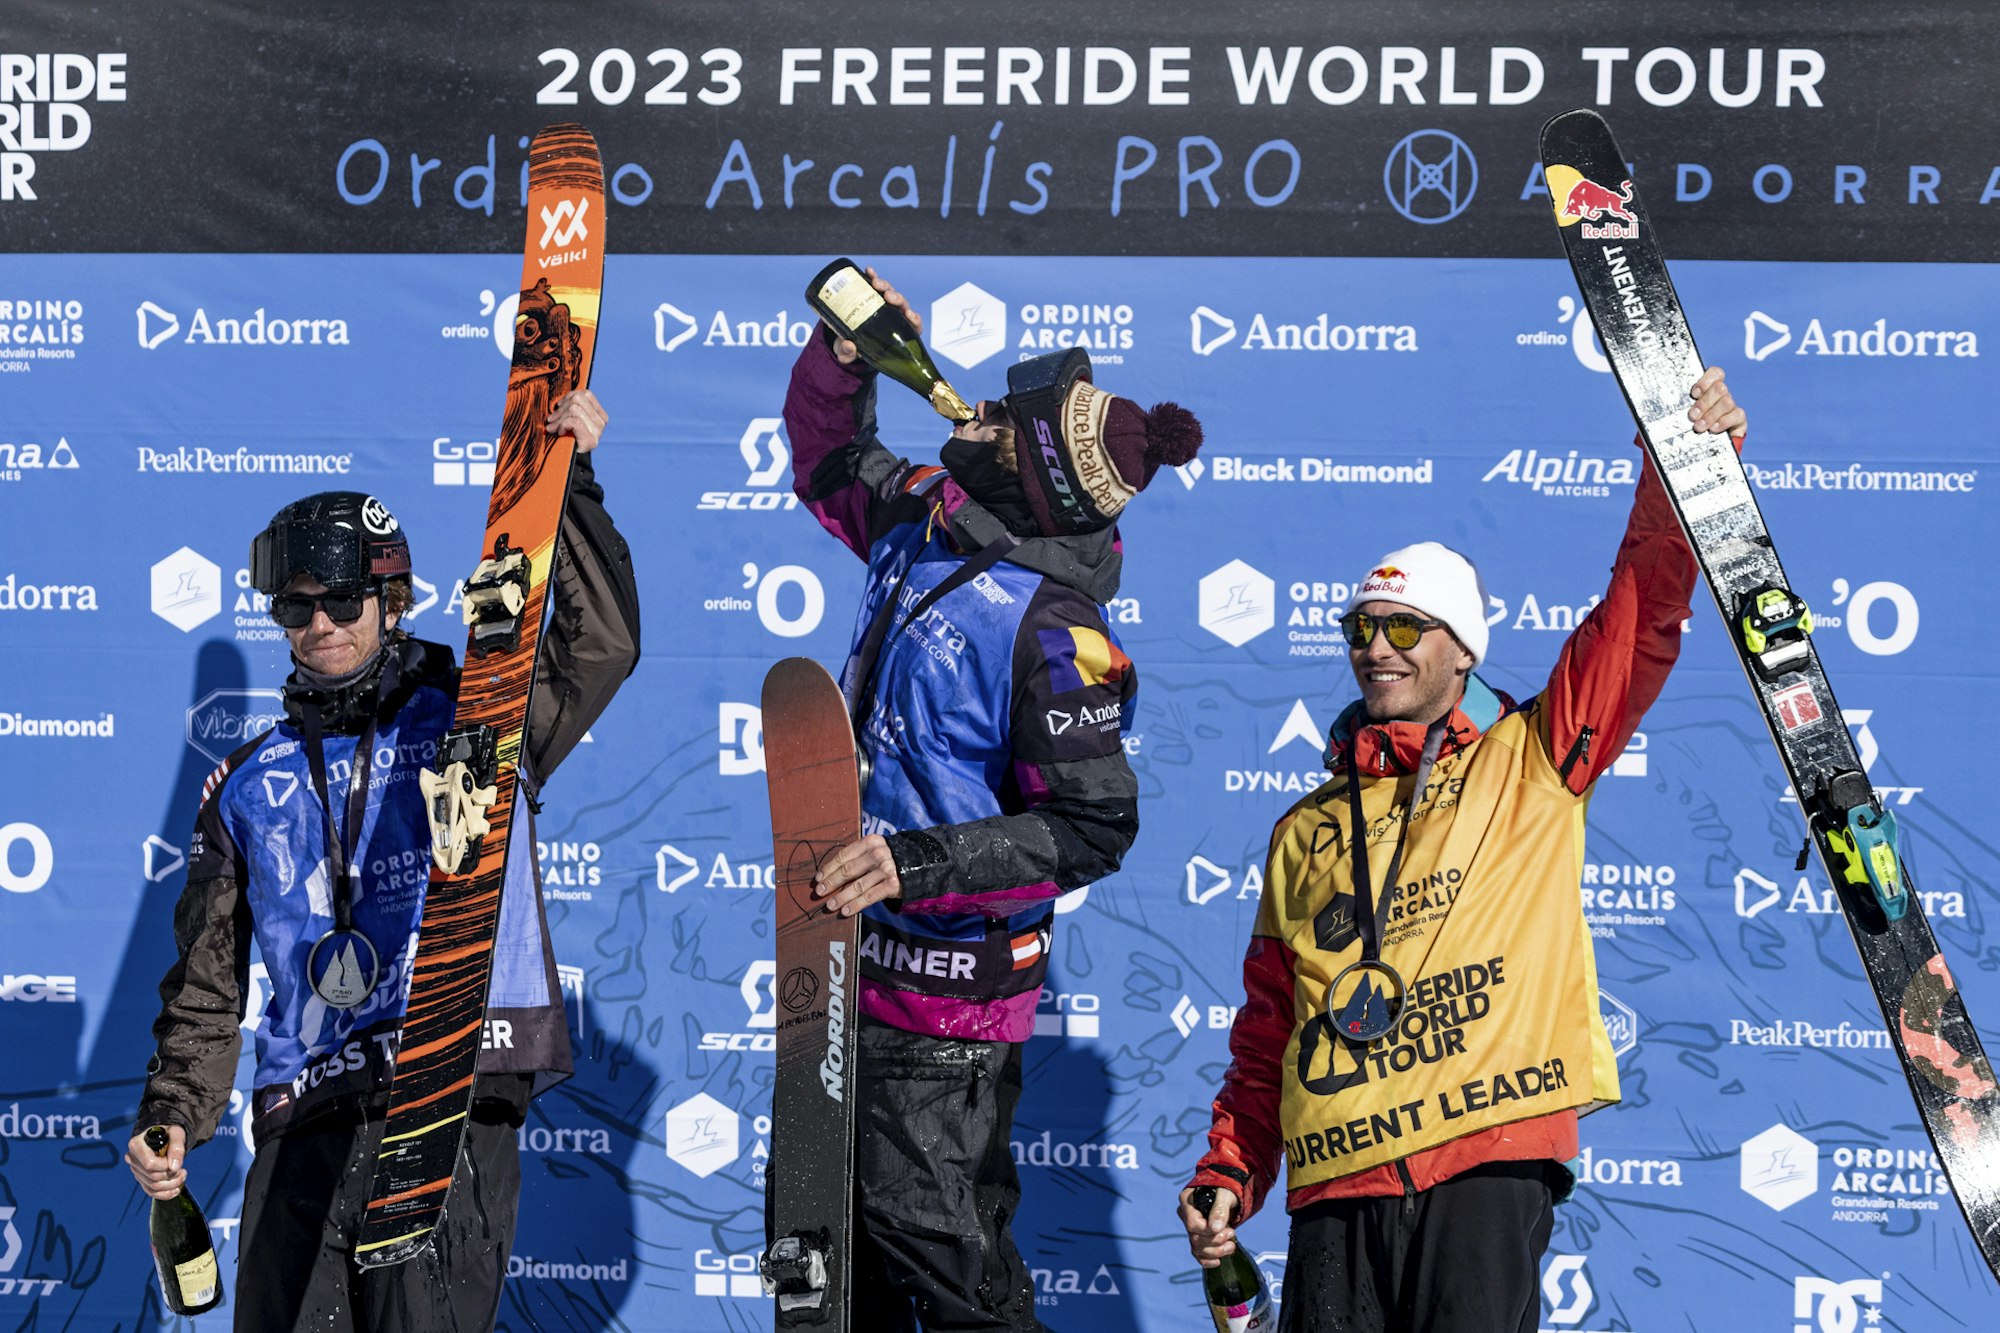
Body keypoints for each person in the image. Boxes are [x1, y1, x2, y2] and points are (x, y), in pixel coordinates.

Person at [1179, 370, 1747, 1332]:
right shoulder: (1305, 831)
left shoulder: (1534, 755)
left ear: (1465, 651)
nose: (1376, 647)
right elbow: (1271, 1029)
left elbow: (1642, 610)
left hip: (1486, 1158)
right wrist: (1232, 1163)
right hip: (1335, 1182)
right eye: (1361, 628)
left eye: (1405, 626)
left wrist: (1689, 463)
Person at [125, 390, 639, 1332]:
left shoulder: (481, 714)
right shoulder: (244, 784)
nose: (320, 622)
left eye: (344, 599)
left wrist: (570, 487)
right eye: (295, 605)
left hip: (446, 1088)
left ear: (393, 601)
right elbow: (207, 984)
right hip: (303, 1112)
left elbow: (600, 646)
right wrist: (174, 1113)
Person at [786, 267, 1202, 1330]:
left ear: (1034, 472)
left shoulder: (1057, 632)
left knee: (949, 1269)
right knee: (829, 1279)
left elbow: (1092, 824)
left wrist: (916, 861)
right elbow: (829, 461)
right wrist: (843, 361)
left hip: (947, 1007)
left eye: (1006, 420)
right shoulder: (929, 510)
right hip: (839, 967)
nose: (973, 411)